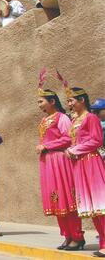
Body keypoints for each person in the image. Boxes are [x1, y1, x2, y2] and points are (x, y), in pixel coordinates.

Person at [36, 85, 84, 250]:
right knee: (56, 200)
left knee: (66, 198)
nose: (39, 105)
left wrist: (47, 145)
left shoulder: (61, 118)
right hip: (48, 163)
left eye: (41, 101)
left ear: (52, 101)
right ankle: (67, 235)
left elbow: (68, 138)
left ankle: (77, 236)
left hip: (60, 161)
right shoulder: (44, 121)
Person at [64, 85, 105, 256]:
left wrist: (75, 150)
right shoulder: (75, 120)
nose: (69, 104)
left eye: (72, 100)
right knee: (91, 208)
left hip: (91, 162)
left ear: (81, 100)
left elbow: (96, 140)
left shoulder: (91, 118)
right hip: (79, 165)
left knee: (100, 204)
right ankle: (103, 242)